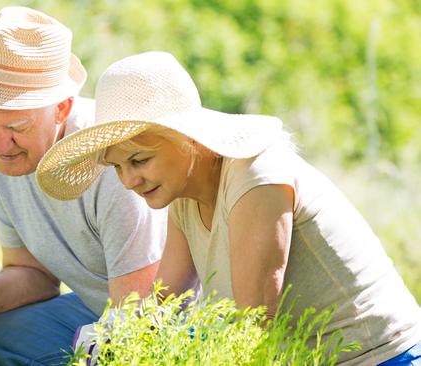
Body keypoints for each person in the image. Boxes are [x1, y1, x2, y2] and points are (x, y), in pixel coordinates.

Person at [36, 51, 421, 365]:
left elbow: (251, 331)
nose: (128, 181)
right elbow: (166, 302)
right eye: (117, 167)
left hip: (380, 357)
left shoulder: (256, 177)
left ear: (187, 138)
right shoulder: (183, 192)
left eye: (139, 160)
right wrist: (115, 334)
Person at [0, 9, 166, 365]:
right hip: (95, 307)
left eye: (18, 126)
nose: (1, 144)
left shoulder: (113, 159)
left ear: (61, 109)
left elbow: (137, 309)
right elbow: (34, 276)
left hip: (167, 318)